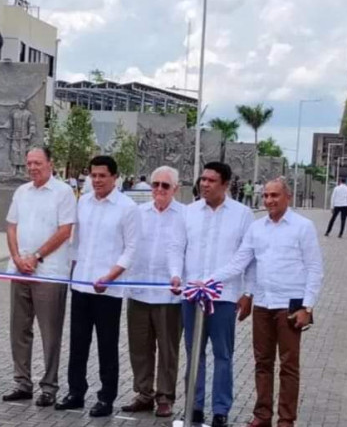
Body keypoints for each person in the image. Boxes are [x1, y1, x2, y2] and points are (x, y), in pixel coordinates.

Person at [209, 179, 323, 427]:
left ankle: (286, 419)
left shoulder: (303, 227)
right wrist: (208, 281)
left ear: (287, 197)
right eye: (266, 196)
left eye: (274, 195)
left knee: (289, 365)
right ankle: (262, 415)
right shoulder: (256, 228)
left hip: (291, 305)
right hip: (262, 303)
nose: (269, 200)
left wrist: (308, 306)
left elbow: (315, 268)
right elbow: (242, 262)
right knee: (262, 362)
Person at [168, 161, 255, 427]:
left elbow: (246, 257)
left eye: (211, 180)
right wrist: (175, 274)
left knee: (223, 353)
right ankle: (193, 406)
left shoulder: (242, 214)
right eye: (202, 179)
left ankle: (220, 409)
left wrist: (246, 291)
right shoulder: (189, 212)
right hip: (191, 295)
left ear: (225, 185)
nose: (204, 184)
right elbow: (176, 246)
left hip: (224, 296)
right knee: (194, 352)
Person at [55, 155, 139, 418]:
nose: (97, 180)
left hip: (109, 291)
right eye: (93, 175)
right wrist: (72, 273)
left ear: (115, 177)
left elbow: (132, 249)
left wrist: (111, 276)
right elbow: (76, 242)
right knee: (78, 343)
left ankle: (106, 398)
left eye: (103, 176)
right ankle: (75, 392)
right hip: (81, 285)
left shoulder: (127, 207)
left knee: (107, 345)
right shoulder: (84, 203)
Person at [2, 148, 76, 407]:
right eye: (29, 163)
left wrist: (36, 257)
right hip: (20, 269)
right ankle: (22, 382)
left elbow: (65, 230)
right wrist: (17, 257)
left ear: (50, 164)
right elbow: (11, 226)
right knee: (19, 330)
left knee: (49, 333)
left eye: (38, 163)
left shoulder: (63, 192)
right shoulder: (22, 192)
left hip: (49, 273)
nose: (33, 167)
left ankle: (49, 386)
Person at [122, 166, 184, 418]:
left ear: (175, 189)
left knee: (168, 349)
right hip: (139, 290)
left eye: (165, 186)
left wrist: (180, 277)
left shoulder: (185, 216)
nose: (159, 189)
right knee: (139, 346)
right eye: (155, 184)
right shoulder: (138, 213)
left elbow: (184, 252)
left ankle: (165, 397)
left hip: (169, 295)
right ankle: (144, 393)